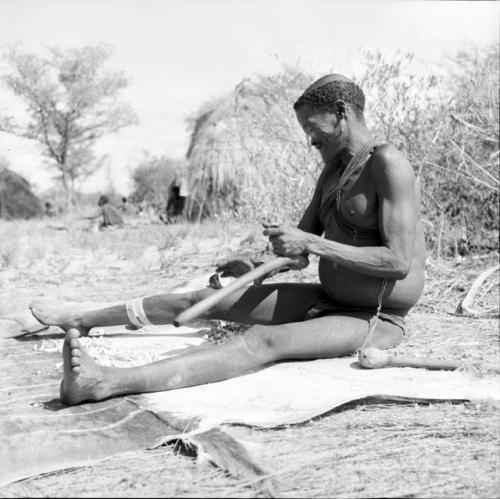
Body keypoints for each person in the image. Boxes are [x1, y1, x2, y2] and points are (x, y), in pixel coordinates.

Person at [30, 74, 426, 405]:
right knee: (200, 300)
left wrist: (312, 245)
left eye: (312, 128)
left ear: (340, 113)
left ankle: (104, 383)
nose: (310, 140)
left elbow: (397, 261)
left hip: (374, 317)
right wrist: (257, 266)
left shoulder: (386, 163)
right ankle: (83, 318)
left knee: (264, 341)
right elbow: (299, 251)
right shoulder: (332, 173)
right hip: (329, 297)